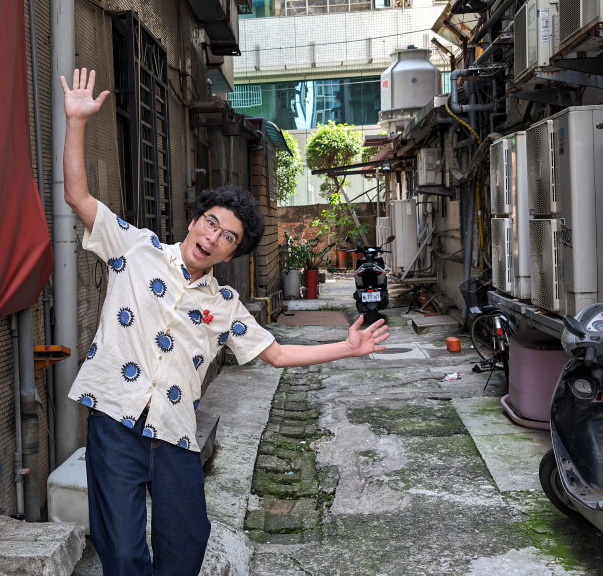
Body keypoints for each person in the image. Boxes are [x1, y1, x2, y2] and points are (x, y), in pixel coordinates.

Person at [60, 68, 390, 576]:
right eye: (211, 222)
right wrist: (76, 122)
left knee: (186, 549)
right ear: (194, 221)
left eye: (229, 236)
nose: (214, 237)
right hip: (115, 419)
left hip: (174, 433)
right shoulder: (136, 249)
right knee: (123, 554)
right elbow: (79, 198)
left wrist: (347, 348)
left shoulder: (226, 305)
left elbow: (276, 354)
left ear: (231, 251)